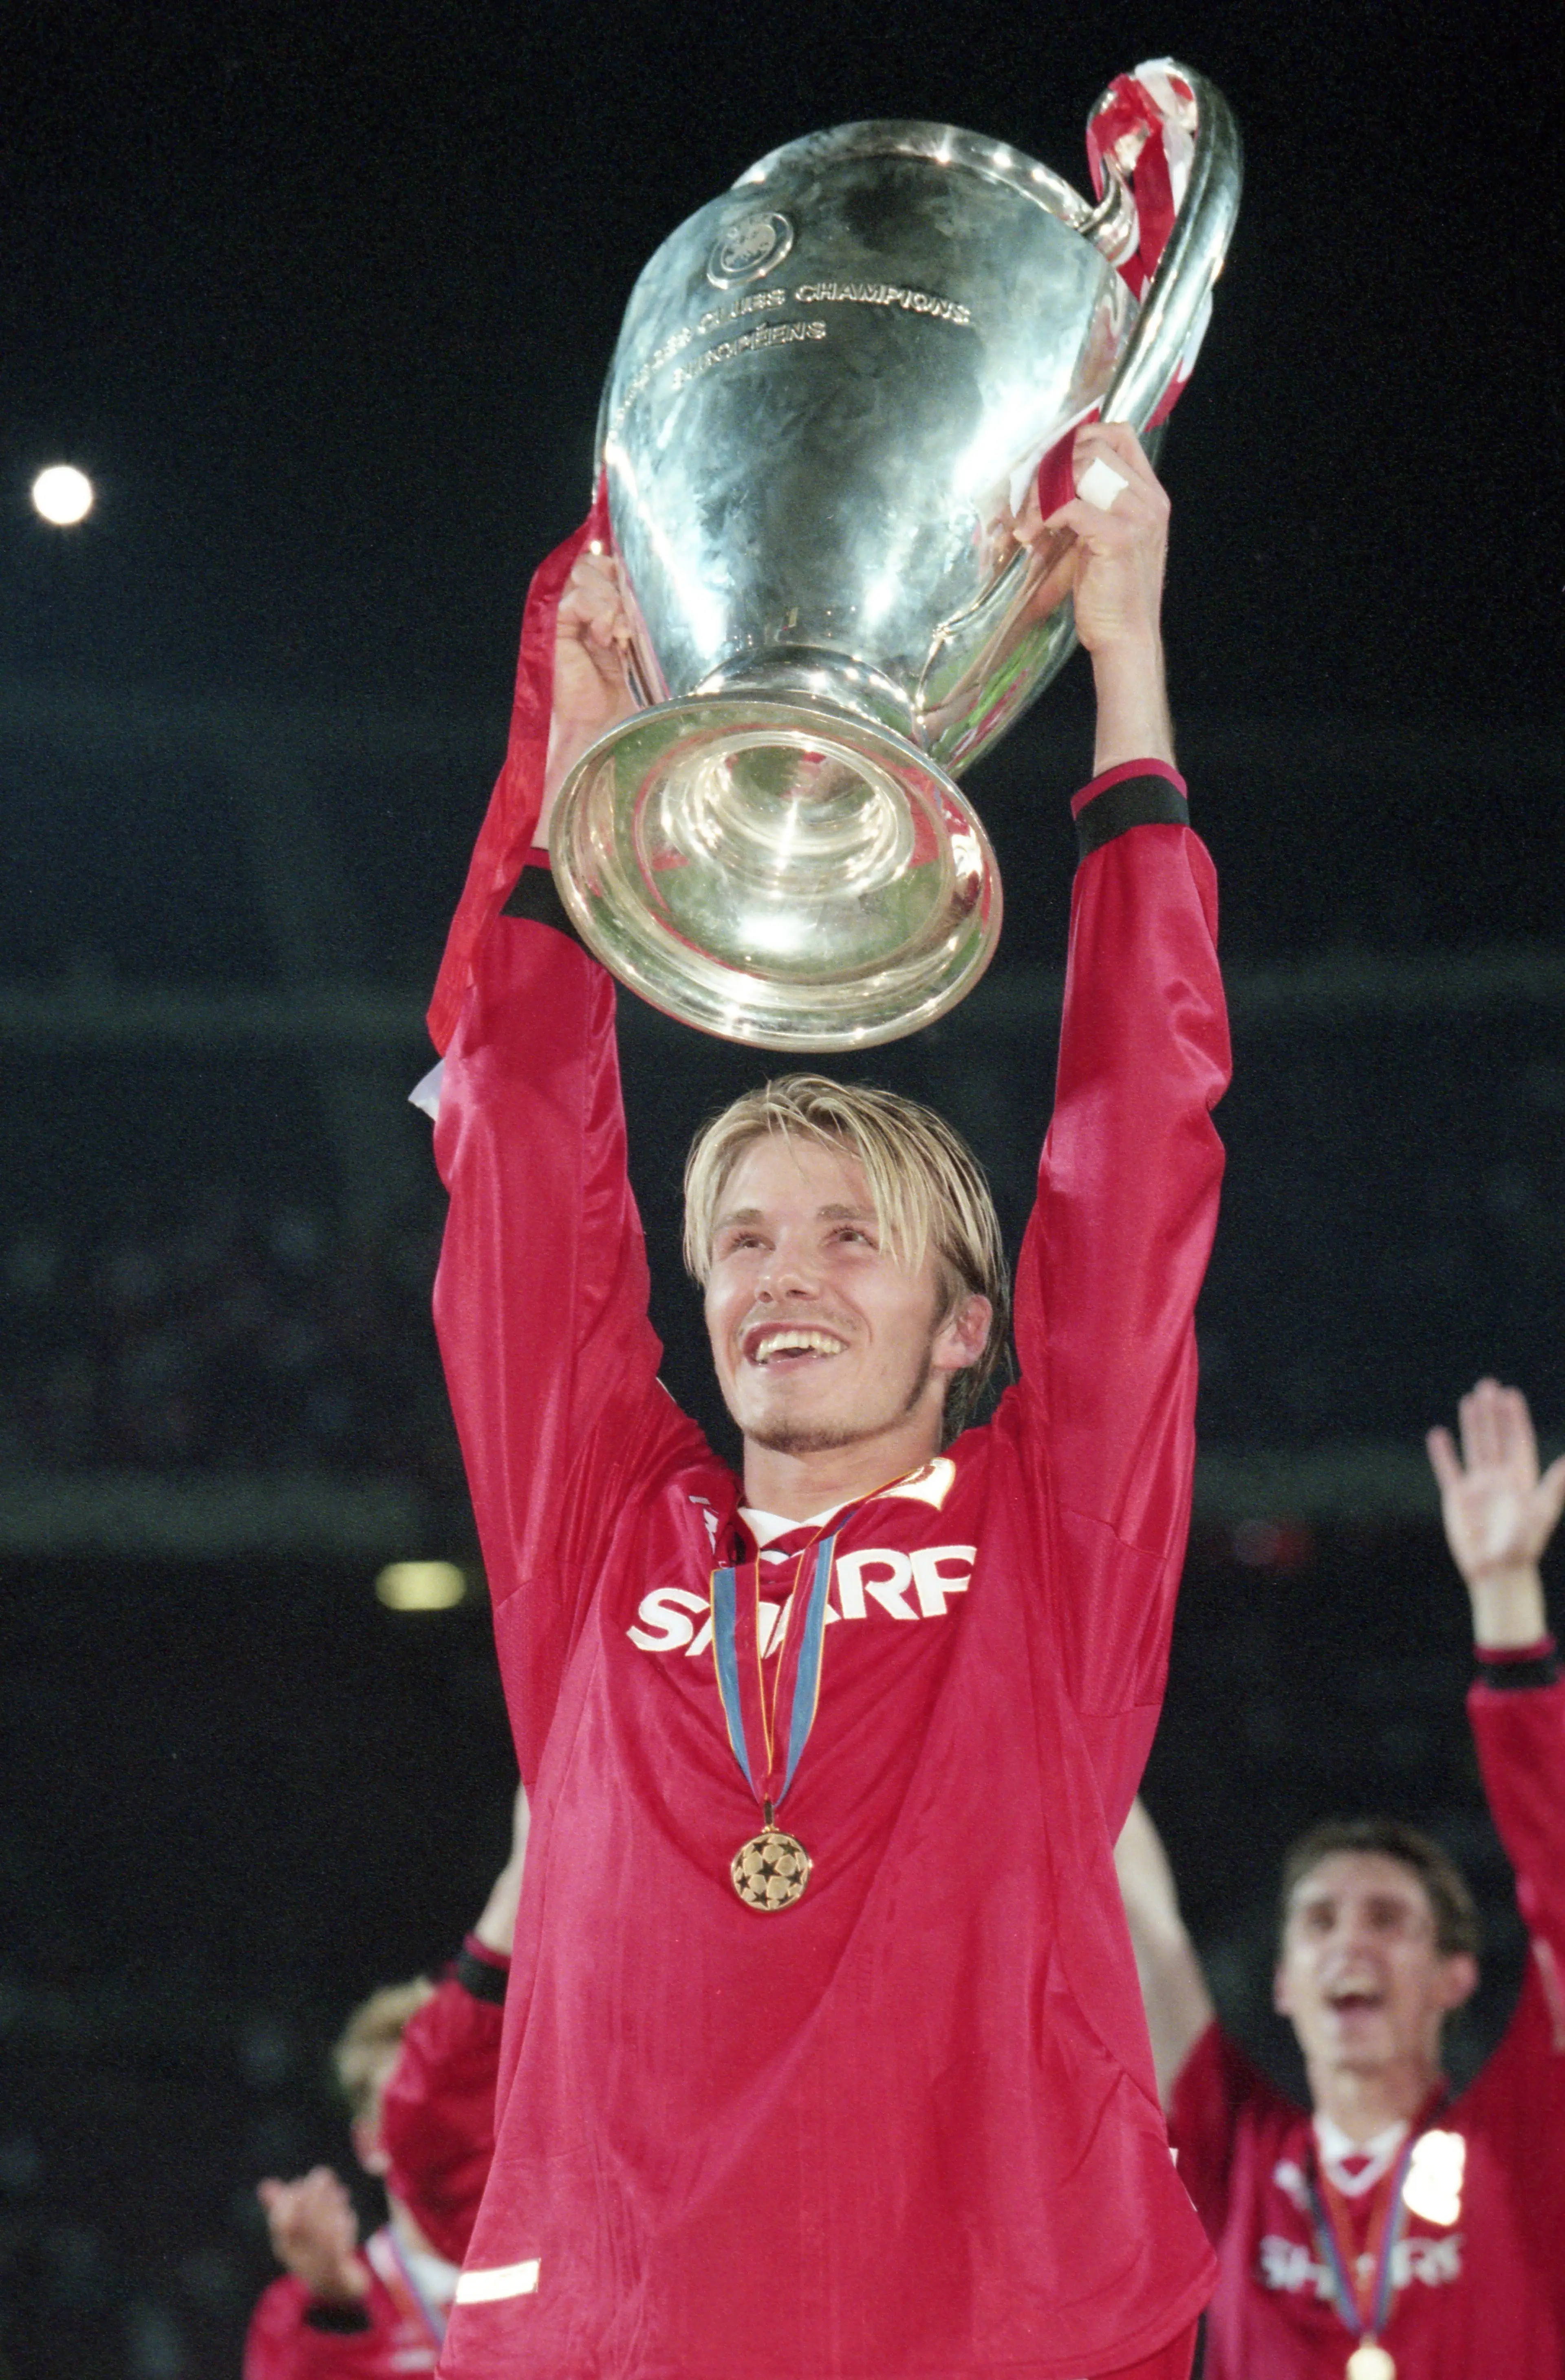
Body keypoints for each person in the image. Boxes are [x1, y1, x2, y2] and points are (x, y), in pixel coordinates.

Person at [423, 420, 1230, 2380]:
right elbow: (525, 1149)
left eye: (852, 1240)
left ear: (968, 1326)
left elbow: (1135, 1146)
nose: (785, 1272)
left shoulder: (1043, 1536)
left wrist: (1124, 655)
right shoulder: (603, 1528)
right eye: (750, 1242)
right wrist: (576, 744)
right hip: (613, 2335)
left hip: (992, 2330)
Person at [1114, 1377, 1565, 2377]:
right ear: (1283, 1980)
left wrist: (1506, 1602)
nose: (1347, 1940)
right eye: (1317, 1921)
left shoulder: (1527, 2142)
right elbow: (1140, 1921)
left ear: (1456, 1975)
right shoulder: (1235, 2158)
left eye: (1388, 1919)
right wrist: (1043, 1680)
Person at [243, 1788, 525, 2377]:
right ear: (371, 2141)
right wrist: (341, 2310)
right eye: (408, 2104)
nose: (441, 2115)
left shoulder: (555, 2261)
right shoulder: (309, 2309)